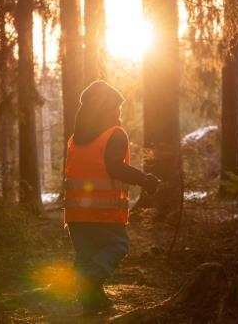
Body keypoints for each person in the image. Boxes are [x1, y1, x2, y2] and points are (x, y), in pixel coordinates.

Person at [64, 80, 160, 315]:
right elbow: (116, 168)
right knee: (118, 245)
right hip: (103, 212)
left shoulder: (74, 139)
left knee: (87, 253)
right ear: (108, 108)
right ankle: (86, 279)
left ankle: (92, 301)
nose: (119, 112)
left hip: (76, 214)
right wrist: (145, 179)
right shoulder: (114, 135)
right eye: (116, 107)